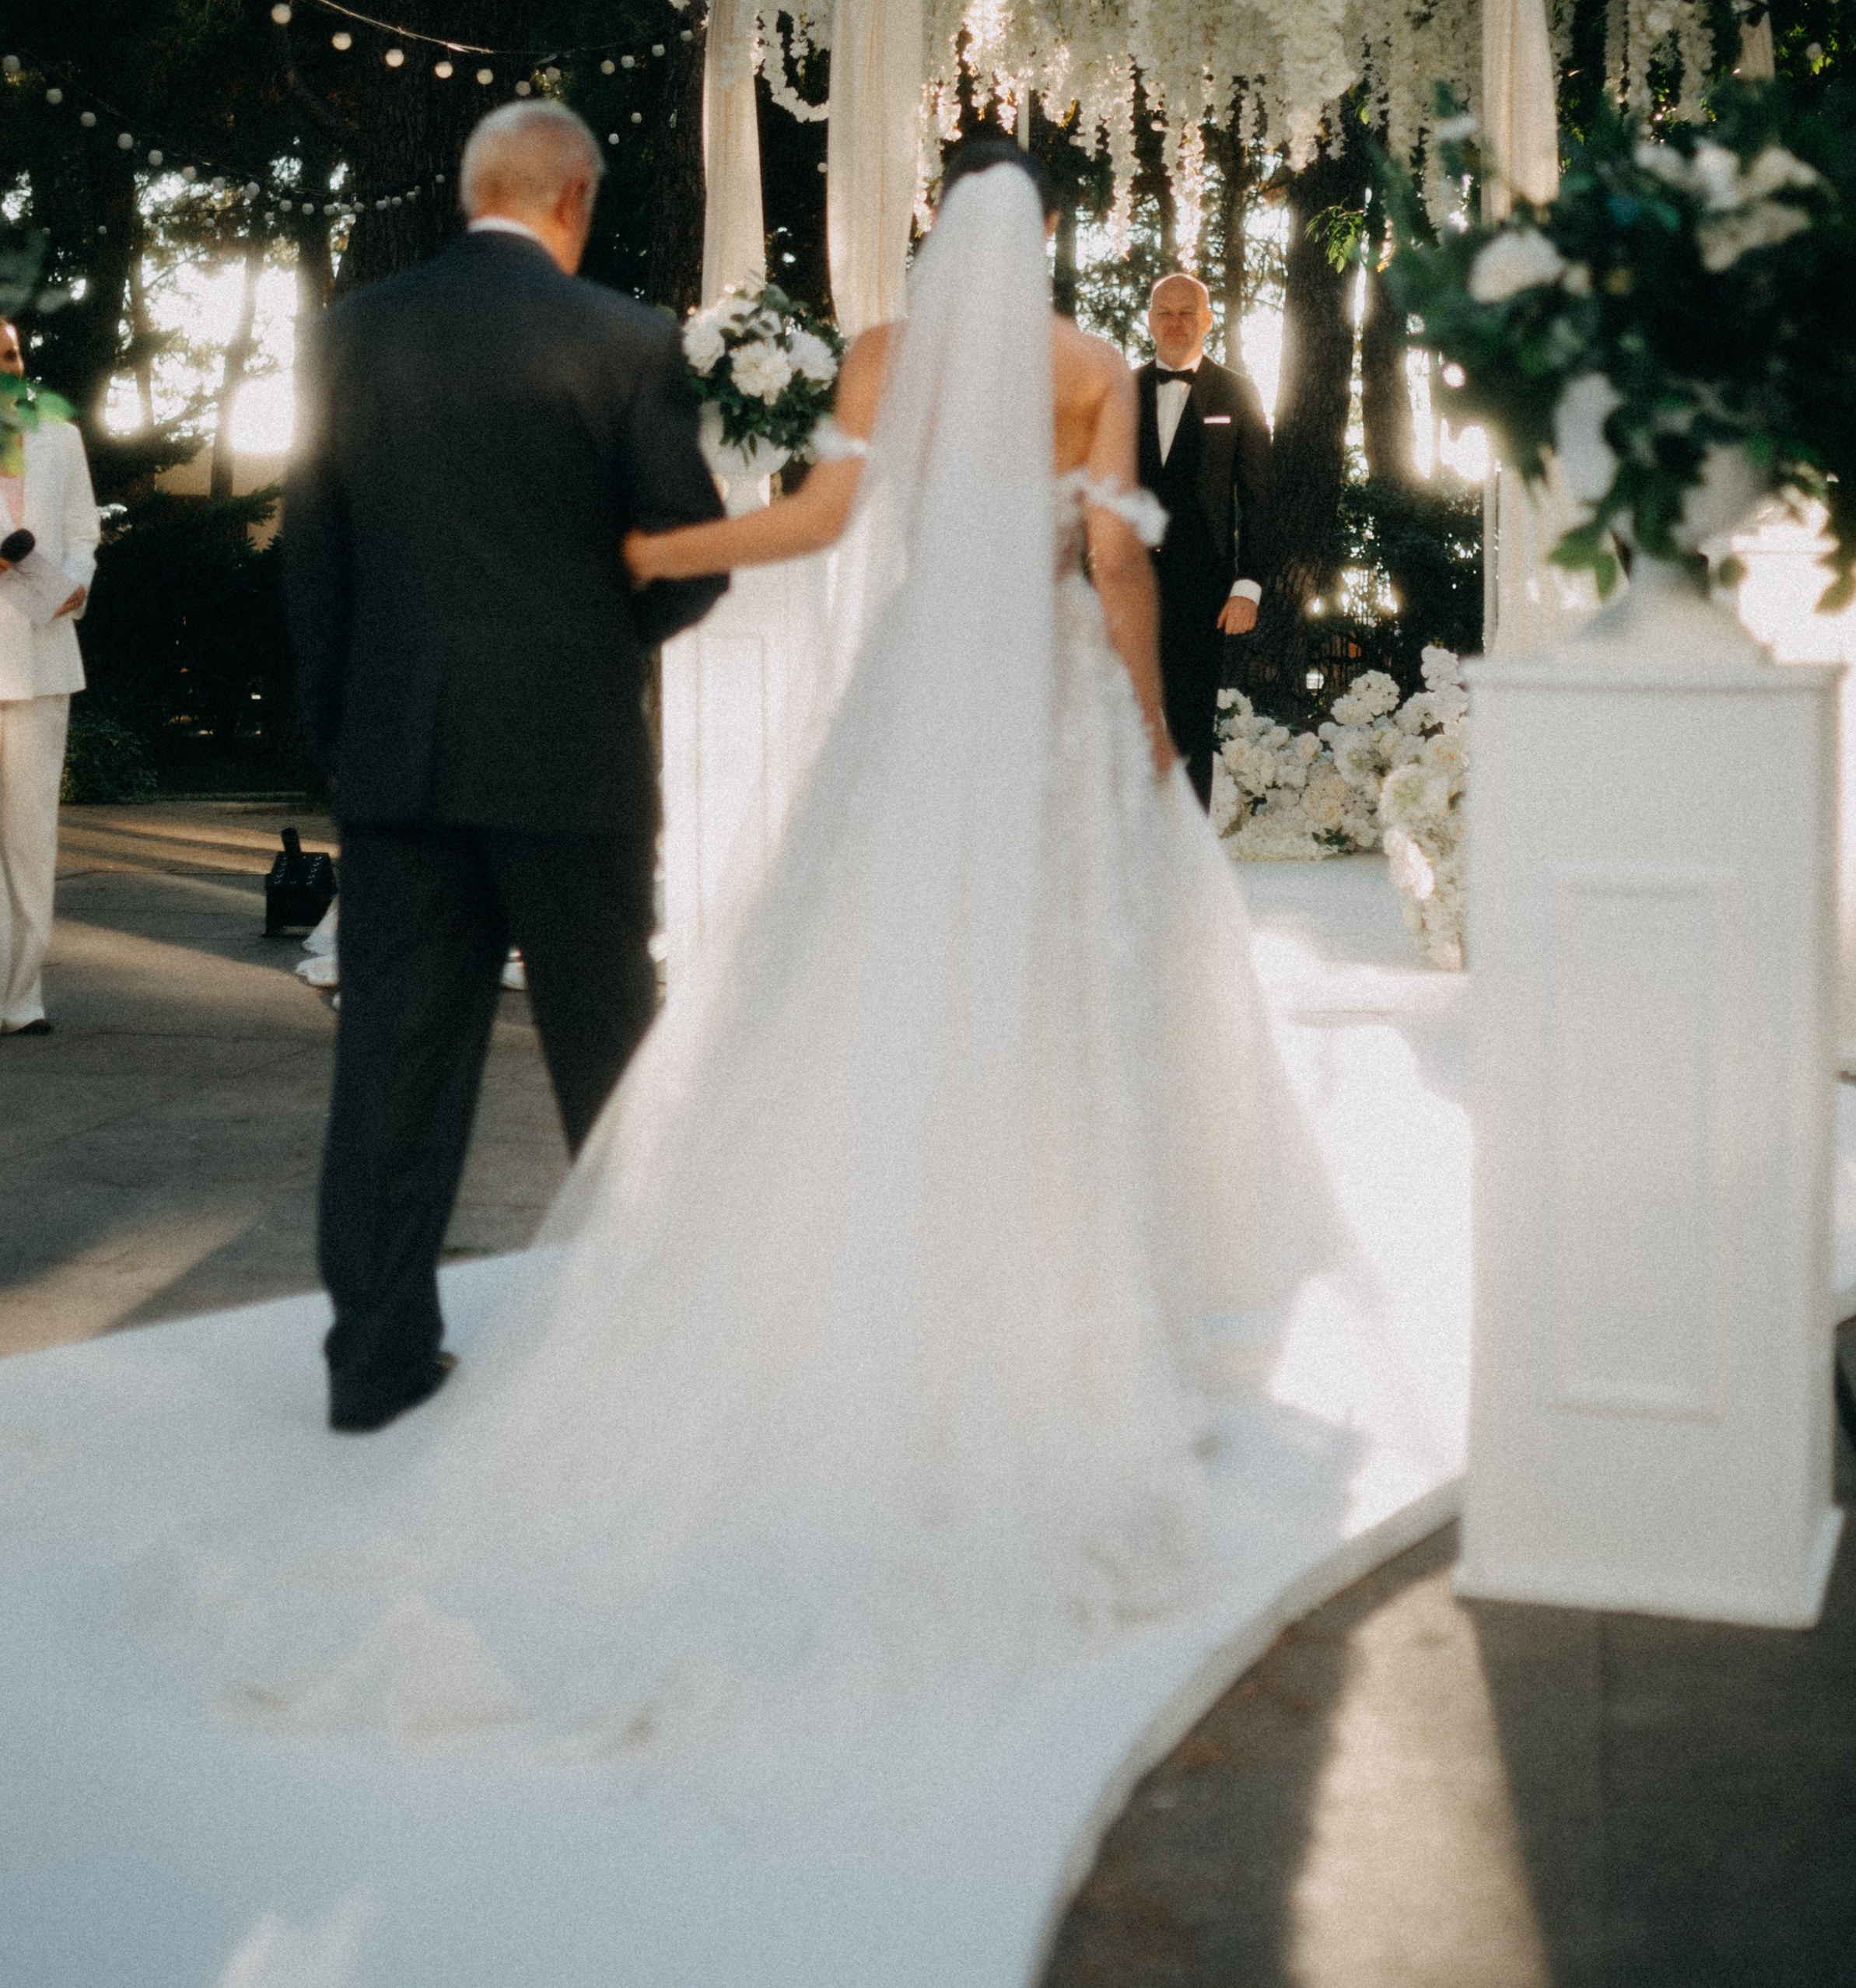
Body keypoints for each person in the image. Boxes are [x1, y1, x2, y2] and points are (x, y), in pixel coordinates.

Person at [192, 135, 1333, 1777]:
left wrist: (663, 561)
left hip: (819, 725)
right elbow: (1114, 564)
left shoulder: (866, 352)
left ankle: (416, 1350)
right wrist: (1149, 725)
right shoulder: (1085, 368)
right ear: (1056, 236)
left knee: (647, 1012)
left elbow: (813, 517)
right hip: (1023, 717)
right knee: (1024, 1002)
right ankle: (1031, 1269)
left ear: (938, 230)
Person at [281, 102, 727, 1435]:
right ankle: (651, 1351)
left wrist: (348, 733)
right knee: (608, 1053)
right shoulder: (628, 341)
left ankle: (374, 1361)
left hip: (401, 755)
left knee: (394, 1060)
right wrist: (596, 645)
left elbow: (314, 562)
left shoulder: (350, 335)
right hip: (570, 757)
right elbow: (689, 553)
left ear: (478, 189)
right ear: (573, 200)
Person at [1135, 272, 1273, 807]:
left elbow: (1260, 497)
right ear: (1149, 319)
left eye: (1186, 311)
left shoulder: (1237, 391)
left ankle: (1185, 856)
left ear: (1207, 319)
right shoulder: (1122, 389)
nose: (1174, 322)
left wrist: (1248, 586)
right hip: (1130, 585)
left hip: (1205, 588)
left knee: (1190, 722)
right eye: (1164, 311)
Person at [0, 319, 97, 1038]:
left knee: (32, 836)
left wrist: (75, 583)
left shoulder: (61, 437)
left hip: (42, 655)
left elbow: (83, 529)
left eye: (12, 352)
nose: (10, 365)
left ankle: (22, 994)